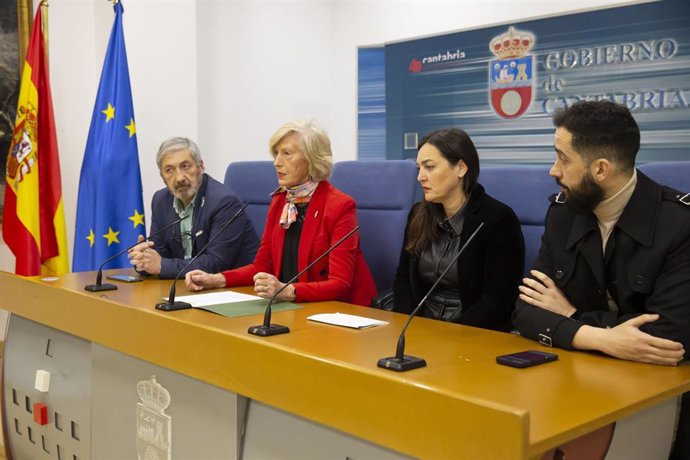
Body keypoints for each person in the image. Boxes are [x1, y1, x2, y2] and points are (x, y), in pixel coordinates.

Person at [512, 100, 689, 459]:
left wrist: (573, 316)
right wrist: (602, 336)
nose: (553, 170)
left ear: (601, 169)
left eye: (562, 158)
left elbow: (667, 340)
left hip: (658, 397)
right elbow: (526, 312)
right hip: (575, 383)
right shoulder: (563, 213)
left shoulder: (679, 225)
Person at [185, 120, 377, 306]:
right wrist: (215, 279)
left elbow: (341, 284)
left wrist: (289, 291)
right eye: (276, 154)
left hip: (338, 311)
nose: (277, 162)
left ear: (312, 159)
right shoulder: (281, 201)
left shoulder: (340, 206)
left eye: (287, 154)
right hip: (292, 306)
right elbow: (261, 267)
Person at [392, 128, 524, 332]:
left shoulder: (497, 219)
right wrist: (412, 327)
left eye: (429, 167)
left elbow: (498, 302)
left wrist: (451, 335)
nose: (420, 177)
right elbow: (403, 280)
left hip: (471, 333)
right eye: (419, 168)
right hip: (420, 327)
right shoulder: (418, 213)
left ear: (461, 168)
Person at [127, 137, 259, 278]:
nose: (179, 178)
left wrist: (160, 265)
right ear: (162, 176)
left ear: (201, 167)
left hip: (234, 289)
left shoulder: (224, 202)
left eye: (185, 166)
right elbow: (161, 254)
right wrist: (144, 260)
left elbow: (215, 263)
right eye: (169, 170)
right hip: (187, 285)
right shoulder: (160, 200)